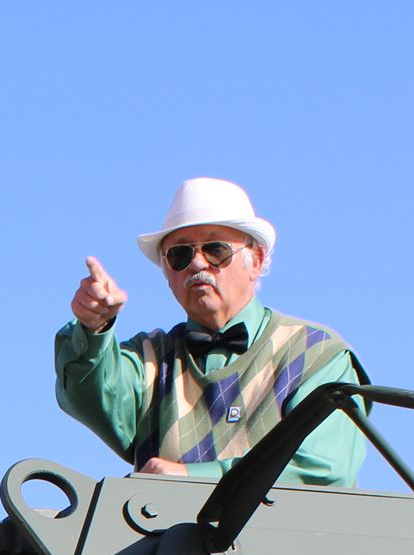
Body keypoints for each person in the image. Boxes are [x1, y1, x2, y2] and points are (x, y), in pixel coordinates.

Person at [56, 177, 368, 488]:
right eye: (179, 255)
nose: (196, 263)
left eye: (215, 249)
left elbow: (324, 471)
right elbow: (88, 392)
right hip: (165, 536)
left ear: (256, 260)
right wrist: (93, 326)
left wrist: (194, 480)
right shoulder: (148, 359)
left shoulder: (315, 354)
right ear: (166, 272)